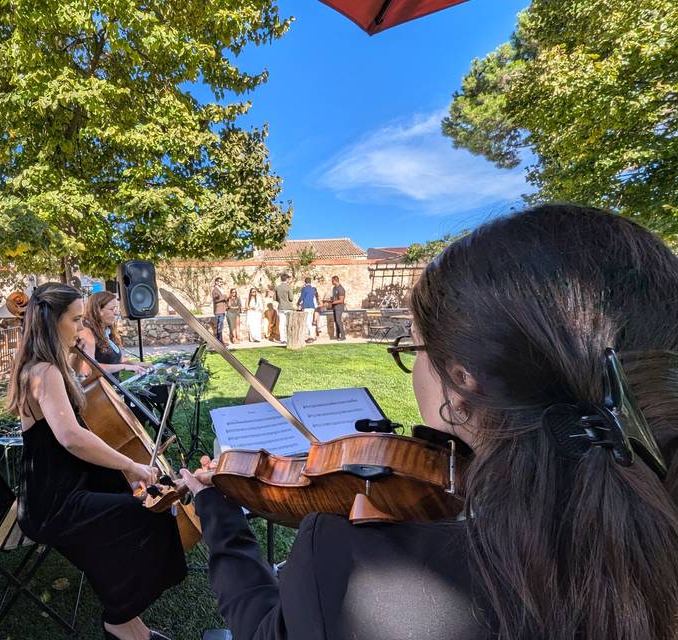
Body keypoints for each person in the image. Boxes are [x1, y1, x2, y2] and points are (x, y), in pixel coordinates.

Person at [180, 204, 678, 640]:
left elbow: (263, 627)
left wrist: (219, 517)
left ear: (462, 385)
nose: (414, 361)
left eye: (413, 348)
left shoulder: (356, 570)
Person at [8, 283, 184, 640]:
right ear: (52, 321)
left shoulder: (43, 367)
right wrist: (132, 465)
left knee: (139, 497)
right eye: (74, 319)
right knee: (150, 515)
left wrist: (123, 469)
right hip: (54, 503)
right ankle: (119, 618)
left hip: (60, 486)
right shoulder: (44, 373)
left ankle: (128, 622)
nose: (80, 326)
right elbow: (71, 437)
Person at [77, 291, 150, 377]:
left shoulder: (107, 330)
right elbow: (88, 369)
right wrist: (123, 367)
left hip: (111, 387)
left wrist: (138, 365)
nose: (116, 313)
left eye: (116, 309)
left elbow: (117, 360)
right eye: (112, 309)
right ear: (98, 310)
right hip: (100, 389)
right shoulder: (87, 332)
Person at [296, 277, 319, 343]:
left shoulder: (304, 289)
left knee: (307, 322)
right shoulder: (312, 289)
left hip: (306, 306)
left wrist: (298, 303)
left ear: (305, 282)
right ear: (310, 282)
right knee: (310, 321)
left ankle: (312, 336)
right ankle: (312, 335)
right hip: (312, 307)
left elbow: (302, 297)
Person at [274, 273, 294, 344]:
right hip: (288, 307)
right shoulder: (288, 287)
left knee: (281, 324)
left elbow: (275, 298)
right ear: (287, 279)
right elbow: (291, 298)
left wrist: (281, 300)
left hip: (281, 307)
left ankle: (282, 339)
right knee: (289, 323)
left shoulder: (277, 287)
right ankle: (290, 338)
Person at [330, 275, 346, 341]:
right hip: (334, 307)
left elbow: (341, 300)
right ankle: (337, 335)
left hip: (339, 307)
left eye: (332, 281)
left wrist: (333, 302)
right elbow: (334, 298)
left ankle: (343, 336)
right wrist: (330, 300)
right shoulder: (334, 288)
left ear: (335, 281)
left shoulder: (341, 289)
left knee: (339, 321)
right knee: (336, 321)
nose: (331, 282)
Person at [212, 277, 227, 343]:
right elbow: (216, 299)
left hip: (222, 310)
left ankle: (220, 340)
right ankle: (219, 341)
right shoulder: (215, 290)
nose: (221, 283)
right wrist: (224, 297)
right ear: (216, 282)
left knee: (221, 325)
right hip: (218, 310)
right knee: (219, 325)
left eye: (222, 282)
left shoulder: (221, 290)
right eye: (220, 282)